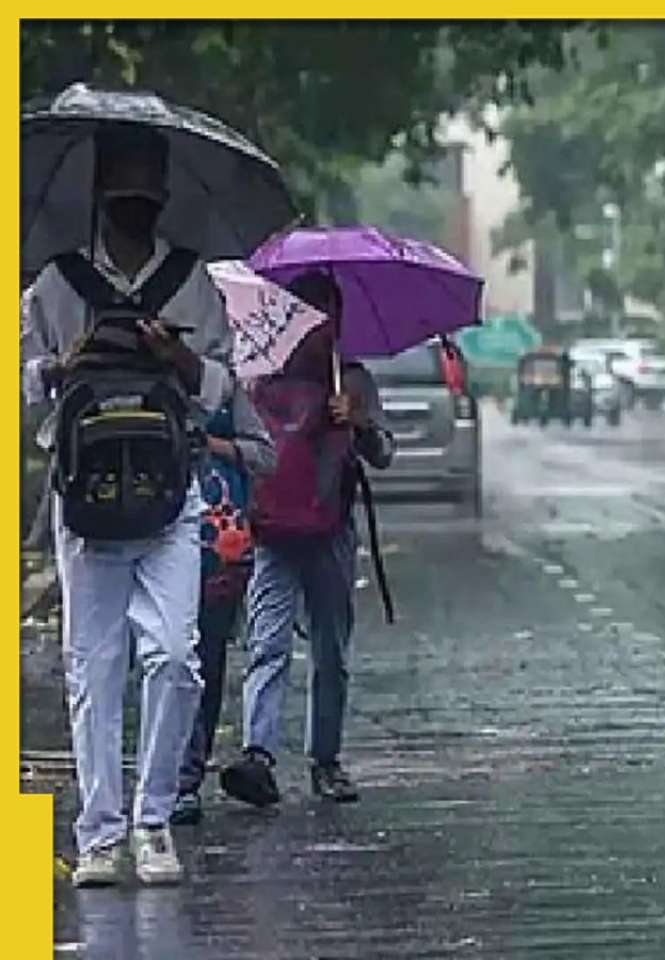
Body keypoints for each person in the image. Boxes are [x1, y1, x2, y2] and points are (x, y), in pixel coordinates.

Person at [20, 124, 234, 886]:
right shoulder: (54, 286)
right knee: (93, 670)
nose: (135, 208)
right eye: (123, 195)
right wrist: (60, 363)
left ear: (163, 198)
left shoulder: (191, 283)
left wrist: (181, 359)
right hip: (84, 506)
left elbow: (224, 386)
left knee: (176, 657)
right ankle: (101, 834)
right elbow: (20, 388)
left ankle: (153, 822)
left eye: (147, 195)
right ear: (102, 197)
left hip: (170, 496)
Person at [220, 270, 394, 808]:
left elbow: (383, 453)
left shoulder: (354, 380)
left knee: (328, 651)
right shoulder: (258, 377)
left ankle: (325, 759)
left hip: (330, 529)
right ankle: (259, 755)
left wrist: (359, 423)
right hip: (273, 529)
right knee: (268, 644)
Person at [170, 380, 275, 826]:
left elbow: (264, 456)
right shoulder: (132, 376)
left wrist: (211, 444)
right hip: (150, 530)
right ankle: (161, 775)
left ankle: (186, 777)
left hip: (219, 547)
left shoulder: (225, 386)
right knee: (161, 655)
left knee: (206, 660)